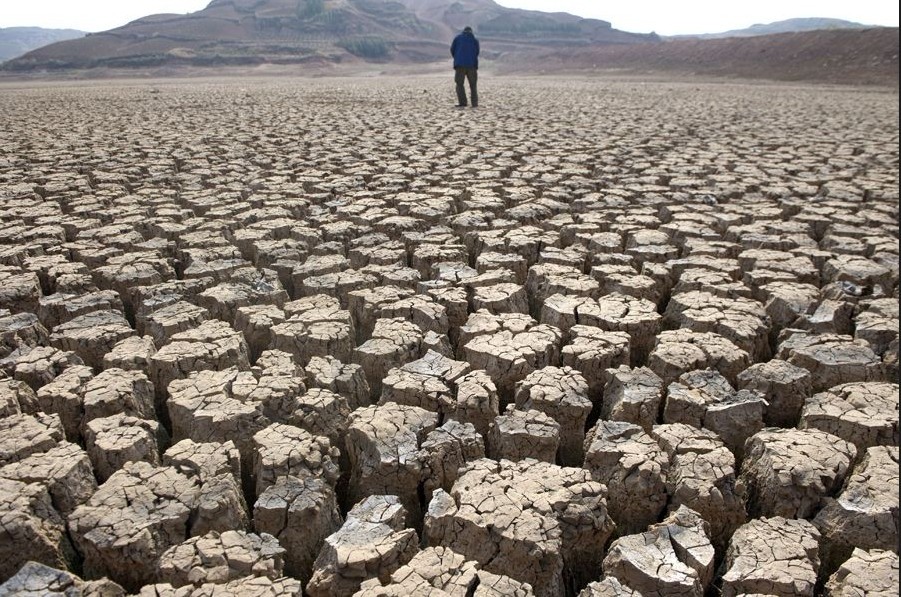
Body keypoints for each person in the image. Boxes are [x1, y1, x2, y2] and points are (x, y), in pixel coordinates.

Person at [450, 26, 479, 108]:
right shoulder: (474, 40)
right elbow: (477, 52)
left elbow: (452, 49)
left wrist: (457, 58)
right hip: (472, 65)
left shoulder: (457, 38)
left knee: (459, 84)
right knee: (473, 85)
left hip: (460, 65)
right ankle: (474, 103)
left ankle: (463, 103)